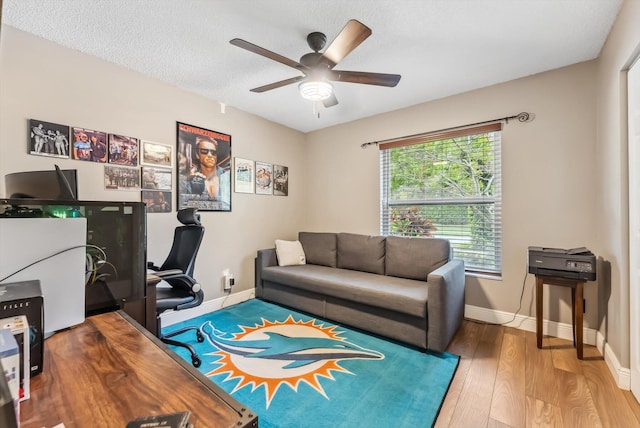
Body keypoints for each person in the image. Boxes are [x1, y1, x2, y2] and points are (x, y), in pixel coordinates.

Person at [186, 137, 229, 206]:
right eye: (204, 151)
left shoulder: (226, 177)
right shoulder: (190, 177)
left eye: (213, 152)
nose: (209, 155)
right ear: (197, 154)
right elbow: (186, 205)